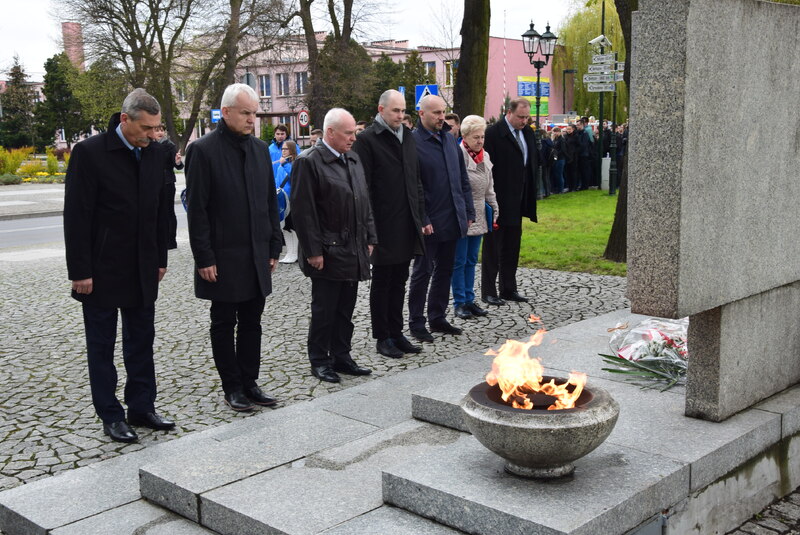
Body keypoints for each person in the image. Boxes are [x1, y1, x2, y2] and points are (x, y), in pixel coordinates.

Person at [64, 88, 175, 443]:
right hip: (100, 268)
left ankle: (142, 406)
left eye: (157, 128)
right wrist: (80, 270)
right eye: (146, 128)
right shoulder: (90, 153)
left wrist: (160, 257)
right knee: (102, 345)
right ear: (125, 119)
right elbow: (77, 216)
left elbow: (161, 211)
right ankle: (110, 414)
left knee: (141, 340)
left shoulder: (156, 154)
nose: (153, 135)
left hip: (143, 265)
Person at [185, 83, 282, 412]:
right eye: (245, 113)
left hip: (256, 252)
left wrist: (274, 244)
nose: (252, 119)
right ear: (225, 112)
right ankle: (232, 387)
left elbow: (270, 201)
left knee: (253, 321)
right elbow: (197, 209)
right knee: (224, 321)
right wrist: (204, 257)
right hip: (223, 255)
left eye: (254, 113)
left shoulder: (259, 149)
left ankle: (250, 381)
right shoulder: (203, 150)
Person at [291, 108, 377, 383]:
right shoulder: (310, 162)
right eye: (348, 133)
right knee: (324, 309)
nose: (354, 137)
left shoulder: (353, 158)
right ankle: (319, 360)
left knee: (346, 309)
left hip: (353, 247)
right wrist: (314, 251)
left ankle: (342, 355)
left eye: (354, 132)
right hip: (327, 250)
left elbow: (364, 201)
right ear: (330, 133)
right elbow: (304, 213)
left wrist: (370, 237)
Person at [352, 89, 428, 359]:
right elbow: (364, 188)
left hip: (407, 222)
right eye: (395, 110)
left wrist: (420, 217)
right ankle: (382, 336)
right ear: (381, 109)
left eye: (403, 111)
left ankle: (397, 332)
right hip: (383, 224)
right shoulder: (367, 140)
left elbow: (415, 179)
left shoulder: (407, 136)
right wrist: (370, 229)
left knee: (400, 280)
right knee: (383, 282)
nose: (400, 115)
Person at [408, 94, 474, 342]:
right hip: (429, 222)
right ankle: (416, 322)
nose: (440, 117)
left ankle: (437, 316)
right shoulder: (413, 143)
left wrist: (467, 211)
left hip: (453, 217)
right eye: (435, 113)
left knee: (445, 270)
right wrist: (423, 218)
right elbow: (415, 187)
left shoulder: (449, 139)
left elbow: (462, 180)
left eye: (443, 112)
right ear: (421, 114)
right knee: (422, 272)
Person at [481, 97, 538, 306]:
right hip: (498, 199)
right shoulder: (494, 134)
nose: (524, 121)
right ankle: (488, 290)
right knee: (493, 247)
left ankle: (508, 288)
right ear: (509, 112)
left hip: (519, 199)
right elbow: (487, 168)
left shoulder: (528, 133)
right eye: (520, 117)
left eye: (526, 117)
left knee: (512, 247)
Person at [452, 115, 498, 320]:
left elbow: (490, 187)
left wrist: (494, 207)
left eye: (482, 137)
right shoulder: (457, 154)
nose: (480, 141)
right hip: (461, 214)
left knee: (471, 260)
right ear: (465, 136)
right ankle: (459, 302)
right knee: (459, 260)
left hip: (480, 211)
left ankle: (470, 300)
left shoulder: (485, 157)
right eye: (476, 137)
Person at [156, 125, 183, 249]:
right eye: (157, 130)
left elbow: (178, 166)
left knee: (168, 212)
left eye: (162, 130)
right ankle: (159, 239)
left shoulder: (169, 145)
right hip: (154, 183)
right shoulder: (148, 145)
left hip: (167, 182)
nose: (160, 132)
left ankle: (171, 241)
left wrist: (177, 162)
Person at [276, 139, 299, 263]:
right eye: (282, 149)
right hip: (282, 198)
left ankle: (295, 252)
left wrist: (285, 164)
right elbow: (277, 180)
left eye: (286, 149)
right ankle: (289, 252)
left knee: (292, 227)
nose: (283, 151)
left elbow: (295, 176)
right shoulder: (281, 164)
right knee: (284, 226)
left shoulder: (293, 163)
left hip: (291, 199)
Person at [563, 123, 580, 192]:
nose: (568, 130)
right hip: (567, 155)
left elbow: (579, 145)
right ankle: (570, 187)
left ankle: (574, 187)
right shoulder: (565, 136)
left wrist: (575, 152)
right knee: (568, 172)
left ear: (573, 129)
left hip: (574, 156)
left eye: (570, 129)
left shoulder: (576, 136)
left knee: (573, 172)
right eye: (567, 129)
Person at [551, 127, 566, 194]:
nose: (554, 133)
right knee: (556, 174)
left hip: (560, 158)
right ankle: (557, 188)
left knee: (559, 174)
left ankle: (561, 189)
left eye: (555, 132)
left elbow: (562, 150)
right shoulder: (555, 139)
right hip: (556, 158)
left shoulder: (561, 140)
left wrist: (556, 153)